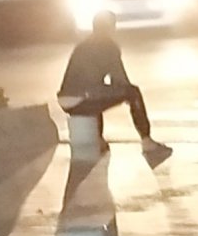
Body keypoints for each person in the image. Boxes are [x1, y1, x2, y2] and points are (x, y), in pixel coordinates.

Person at [57, 9, 170, 166]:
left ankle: (99, 140)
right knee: (133, 93)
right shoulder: (109, 46)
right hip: (84, 98)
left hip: (65, 100)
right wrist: (126, 93)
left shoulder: (82, 45)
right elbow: (120, 80)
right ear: (111, 27)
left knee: (98, 93)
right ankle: (147, 141)